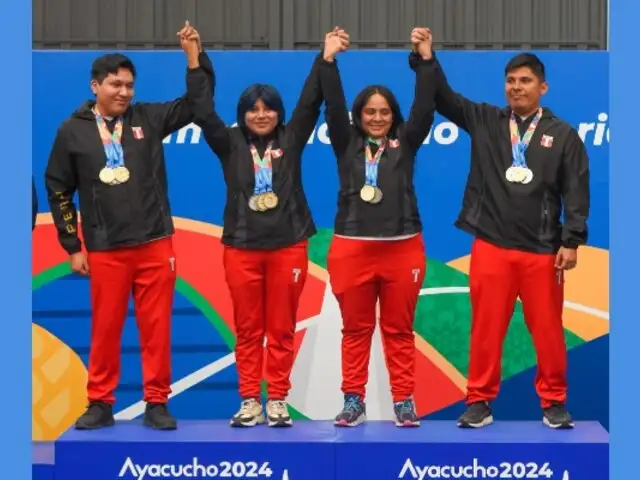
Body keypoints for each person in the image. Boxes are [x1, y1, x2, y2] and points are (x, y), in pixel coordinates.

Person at [44, 22, 212, 431]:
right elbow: (58, 187)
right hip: (105, 247)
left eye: (129, 85)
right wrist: (73, 244)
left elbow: (196, 104)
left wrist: (194, 59)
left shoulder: (148, 118)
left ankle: (157, 401)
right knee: (105, 328)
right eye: (116, 85)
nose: (124, 92)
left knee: (156, 328)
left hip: (155, 243)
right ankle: (100, 402)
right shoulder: (72, 131)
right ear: (95, 85)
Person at [422, 41, 590, 429]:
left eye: (525, 81)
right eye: (511, 81)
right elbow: (444, 99)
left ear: (542, 87)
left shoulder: (562, 135)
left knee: (548, 332)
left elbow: (577, 190)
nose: (516, 87)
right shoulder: (485, 121)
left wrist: (571, 239)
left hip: (543, 251)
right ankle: (479, 401)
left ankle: (554, 402)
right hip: (492, 246)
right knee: (485, 328)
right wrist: (427, 59)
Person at [185, 28, 341, 428]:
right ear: (243, 114)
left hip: (288, 245)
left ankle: (278, 400)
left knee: (282, 327)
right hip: (242, 247)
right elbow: (201, 110)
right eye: (253, 109)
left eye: (268, 108)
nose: (260, 114)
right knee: (248, 328)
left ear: (278, 112)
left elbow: (311, 100)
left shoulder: (292, 137)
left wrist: (325, 57)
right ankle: (250, 399)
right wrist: (194, 60)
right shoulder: (228, 142)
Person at [317, 27, 437, 427]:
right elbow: (332, 104)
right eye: (370, 111)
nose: (378, 118)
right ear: (359, 115)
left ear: (394, 115)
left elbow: (425, 105)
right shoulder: (344, 140)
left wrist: (424, 59)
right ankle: (354, 400)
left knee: (399, 329)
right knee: (355, 329)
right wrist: (329, 60)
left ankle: (404, 400)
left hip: (403, 247)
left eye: (385, 111)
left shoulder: (407, 139)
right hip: (352, 248)